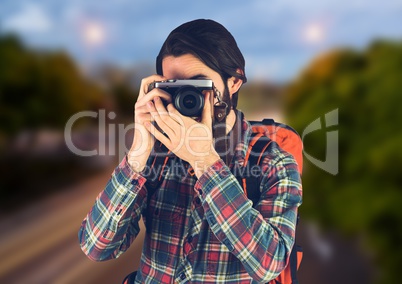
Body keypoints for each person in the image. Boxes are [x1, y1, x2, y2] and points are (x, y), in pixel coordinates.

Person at [78, 19, 302, 283]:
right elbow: (97, 247)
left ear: (234, 81)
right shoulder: (156, 155)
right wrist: (137, 154)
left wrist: (204, 161)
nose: (186, 98)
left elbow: (269, 264)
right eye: (174, 87)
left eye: (198, 85)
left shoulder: (273, 161)